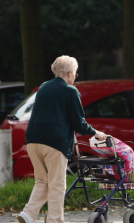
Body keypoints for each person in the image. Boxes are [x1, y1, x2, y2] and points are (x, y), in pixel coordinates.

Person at [17, 55, 108, 223]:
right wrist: (96, 133)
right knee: (57, 184)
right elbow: (79, 123)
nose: (75, 77)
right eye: (75, 74)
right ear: (70, 73)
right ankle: (54, 220)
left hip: (33, 140)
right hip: (55, 143)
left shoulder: (44, 87)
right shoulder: (70, 91)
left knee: (42, 181)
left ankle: (28, 214)